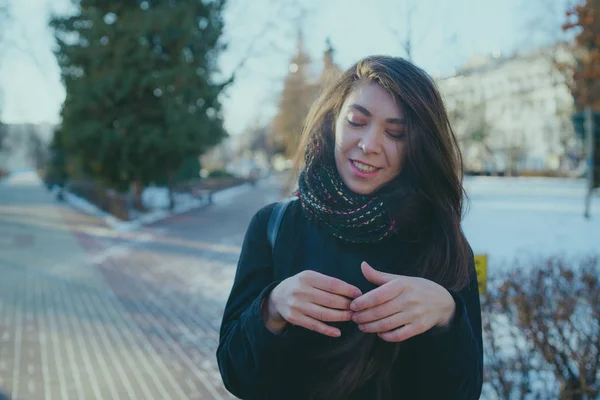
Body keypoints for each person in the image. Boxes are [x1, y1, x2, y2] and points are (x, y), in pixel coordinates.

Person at [217, 55, 483, 400]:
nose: (369, 144)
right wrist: (271, 307)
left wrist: (447, 316)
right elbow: (236, 375)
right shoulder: (273, 226)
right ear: (333, 121)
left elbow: (463, 393)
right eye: (357, 121)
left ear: (418, 145)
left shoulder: (442, 241)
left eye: (396, 133)